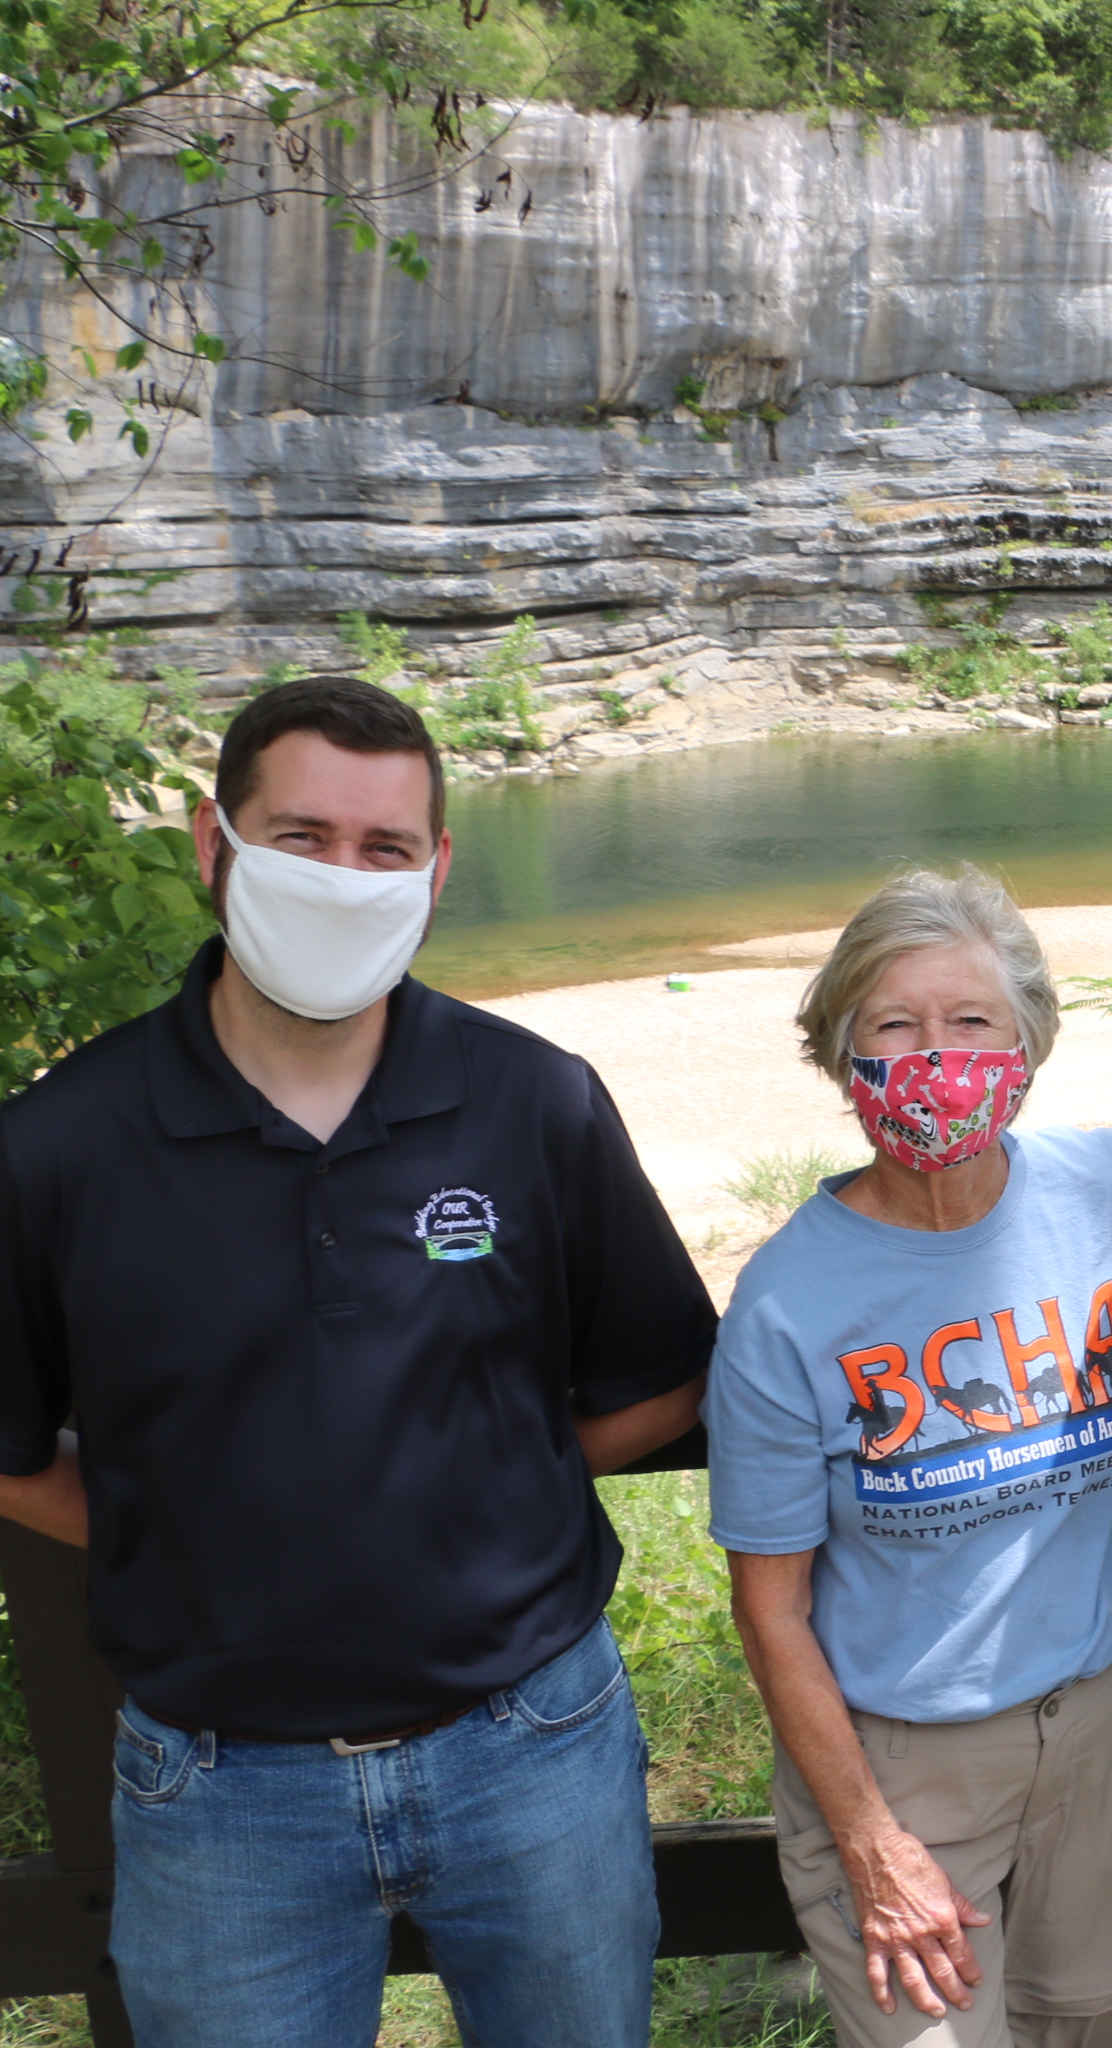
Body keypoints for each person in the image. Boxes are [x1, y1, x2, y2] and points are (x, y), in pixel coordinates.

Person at [0, 676, 715, 2046]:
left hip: (534, 1750)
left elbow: (656, 1377)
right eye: (300, 837)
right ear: (212, 849)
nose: (344, 877)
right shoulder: (61, 1147)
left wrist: (477, 1484)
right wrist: (175, 1518)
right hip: (219, 1796)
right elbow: (10, 1448)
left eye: (384, 849)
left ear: (435, 875)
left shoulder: (535, 1100)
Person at [710, 867, 1112, 2046]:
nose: (935, 1055)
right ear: (844, 1060)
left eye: (971, 1021)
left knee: (1083, 2020)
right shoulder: (787, 1299)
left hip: (1099, 1715)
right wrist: (868, 1838)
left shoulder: (1109, 1185)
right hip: (901, 1762)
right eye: (893, 1025)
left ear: (1028, 1044)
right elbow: (773, 1611)